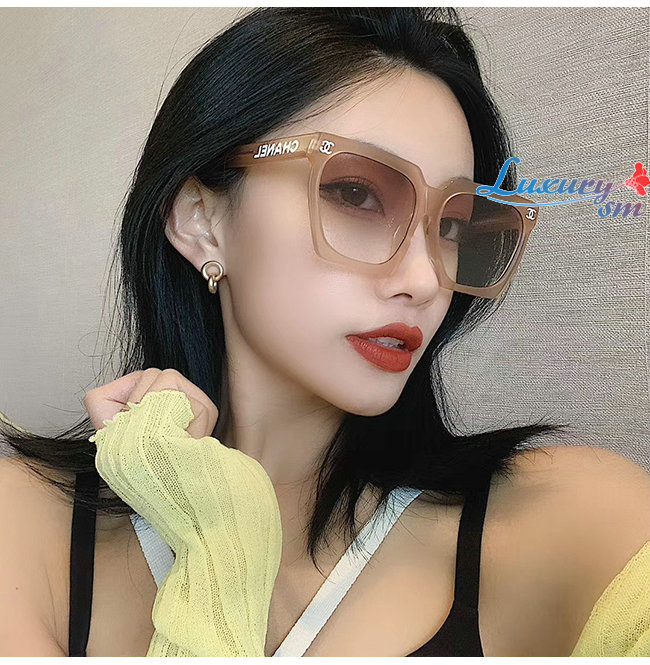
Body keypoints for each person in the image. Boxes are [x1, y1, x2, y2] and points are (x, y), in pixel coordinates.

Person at [1, 7, 649, 657]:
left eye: (453, 227)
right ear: (200, 219)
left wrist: (222, 542)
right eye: (357, 195)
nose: (426, 279)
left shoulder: (574, 521)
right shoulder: (25, 523)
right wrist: (213, 526)